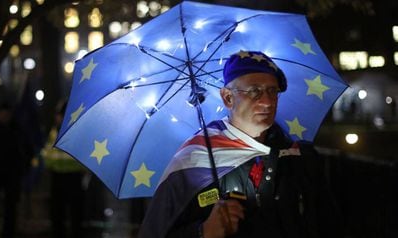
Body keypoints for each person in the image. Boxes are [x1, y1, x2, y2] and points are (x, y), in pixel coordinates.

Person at [138, 50, 343, 238]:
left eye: (273, 91)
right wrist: (203, 233)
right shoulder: (193, 161)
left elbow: (329, 225)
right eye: (254, 91)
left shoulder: (300, 157)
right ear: (228, 97)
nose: (268, 102)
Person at [0, 103, 32, 238]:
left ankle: (8, 233)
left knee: (10, 207)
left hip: (12, 175)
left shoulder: (16, 130)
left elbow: (27, 150)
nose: (4, 116)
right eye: (2, 113)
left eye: (7, 113)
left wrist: (24, 167)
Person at [41, 101, 87, 238]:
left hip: (72, 176)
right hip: (58, 176)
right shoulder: (54, 132)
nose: (57, 118)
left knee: (75, 213)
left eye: (60, 115)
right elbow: (48, 153)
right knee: (58, 213)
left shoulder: (74, 132)